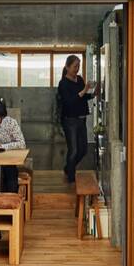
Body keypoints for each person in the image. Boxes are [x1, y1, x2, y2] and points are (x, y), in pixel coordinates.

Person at [56, 54, 95, 184]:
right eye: (75, 66)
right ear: (67, 67)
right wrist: (84, 90)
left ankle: (68, 168)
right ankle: (71, 178)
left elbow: (82, 98)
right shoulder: (63, 83)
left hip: (81, 118)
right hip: (70, 120)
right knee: (73, 150)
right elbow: (69, 102)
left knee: (83, 149)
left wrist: (94, 94)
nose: (77, 69)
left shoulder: (79, 79)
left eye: (79, 66)